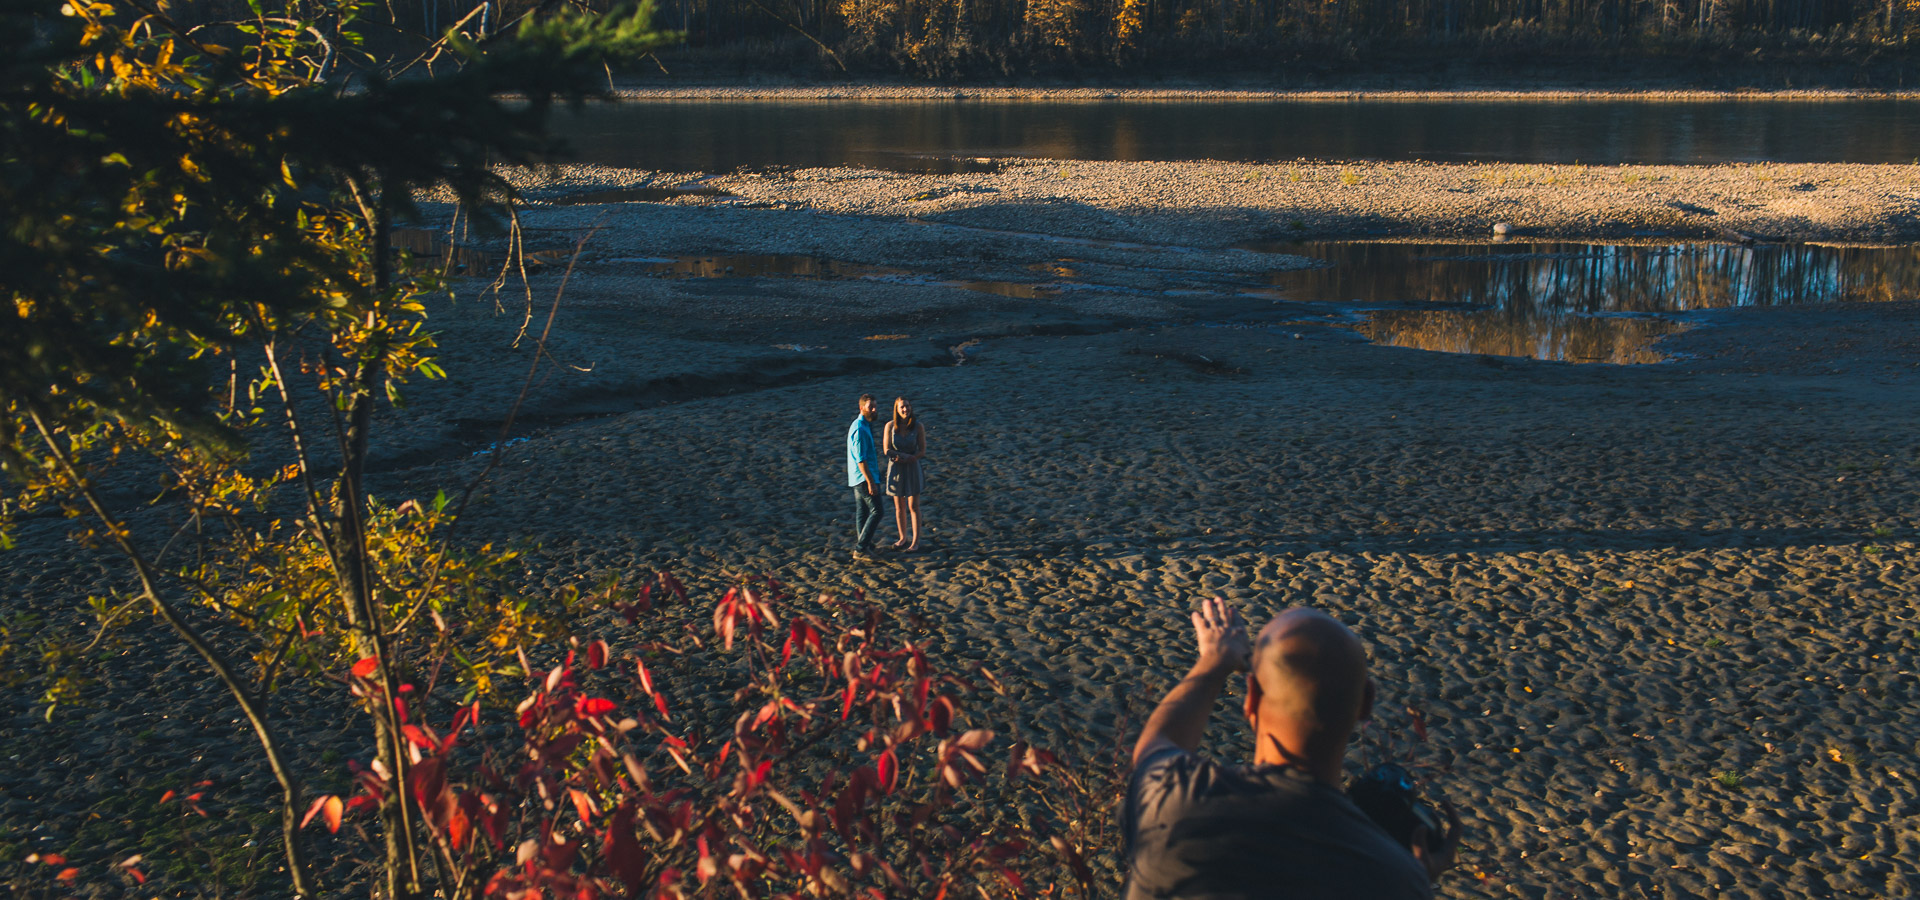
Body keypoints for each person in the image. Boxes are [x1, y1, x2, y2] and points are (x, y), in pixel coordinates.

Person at [1124, 598, 1461, 899]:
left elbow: (1156, 745)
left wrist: (1213, 662)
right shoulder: (1394, 879)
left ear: (1251, 697)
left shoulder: (1173, 803)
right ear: (1365, 705)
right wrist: (1416, 877)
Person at [881, 396, 927, 552]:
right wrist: (898, 456)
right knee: (899, 506)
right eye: (902, 407)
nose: (905, 409)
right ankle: (902, 538)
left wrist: (913, 457)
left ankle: (915, 541)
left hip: (913, 466)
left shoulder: (918, 426)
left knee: (913, 505)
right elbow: (886, 449)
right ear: (897, 409)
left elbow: (922, 450)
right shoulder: (889, 426)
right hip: (896, 467)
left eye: (907, 406)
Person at [845, 393, 885, 556]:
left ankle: (864, 544)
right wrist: (870, 481)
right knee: (878, 511)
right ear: (861, 408)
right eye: (870, 407)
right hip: (863, 478)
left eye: (875, 406)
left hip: (857, 478)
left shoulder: (863, 426)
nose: (874, 410)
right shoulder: (859, 429)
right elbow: (861, 459)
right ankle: (861, 548)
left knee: (863, 512)